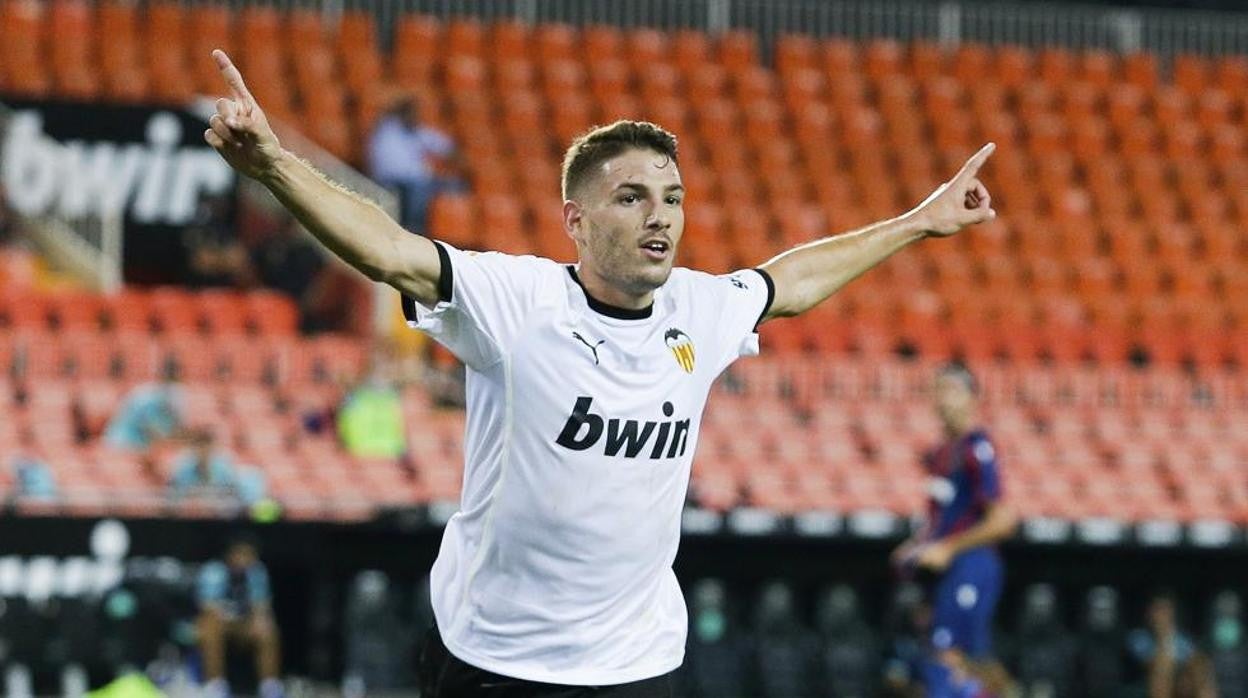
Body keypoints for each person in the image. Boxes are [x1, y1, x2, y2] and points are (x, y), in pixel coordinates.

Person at [203, 48, 997, 696]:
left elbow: (792, 282)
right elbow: (390, 249)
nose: (661, 215)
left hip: (636, 666)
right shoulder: (518, 301)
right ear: (576, 221)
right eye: (632, 197)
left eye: (673, 197)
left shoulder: (702, 309)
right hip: (493, 660)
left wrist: (920, 222)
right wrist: (274, 166)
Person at [890, 364, 1018, 696]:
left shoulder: (977, 447)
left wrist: (947, 549)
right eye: (938, 390)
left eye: (951, 390)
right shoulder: (940, 453)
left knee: (950, 657)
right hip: (948, 570)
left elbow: (1002, 521)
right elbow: (944, 520)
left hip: (971, 563)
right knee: (951, 656)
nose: (942, 399)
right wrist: (918, 545)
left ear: (972, 398)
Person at [195, 534, 283, 698]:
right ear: (231, 554)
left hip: (244, 625)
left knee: (268, 629)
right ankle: (215, 684)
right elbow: (207, 607)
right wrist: (228, 616)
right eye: (241, 554)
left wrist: (260, 620)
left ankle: (269, 685)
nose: (245, 560)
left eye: (250, 555)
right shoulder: (214, 571)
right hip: (220, 623)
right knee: (210, 626)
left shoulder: (257, 572)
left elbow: (261, 605)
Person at [366, 94, 464, 233]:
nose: (415, 116)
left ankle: (449, 230)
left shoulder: (417, 132)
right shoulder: (387, 129)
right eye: (411, 112)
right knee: (419, 187)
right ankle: (413, 229)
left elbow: (444, 147)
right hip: (392, 179)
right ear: (402, 113)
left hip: (413, 179)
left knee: (454, 184)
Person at [168, 428, 265, 509]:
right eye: (199, 446)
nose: (203, 450)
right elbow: (177, 497)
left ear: (212, 446)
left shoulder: (224, 463)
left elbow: (232, 494)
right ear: (193, 447)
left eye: (206, 445)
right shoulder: (182, 466)